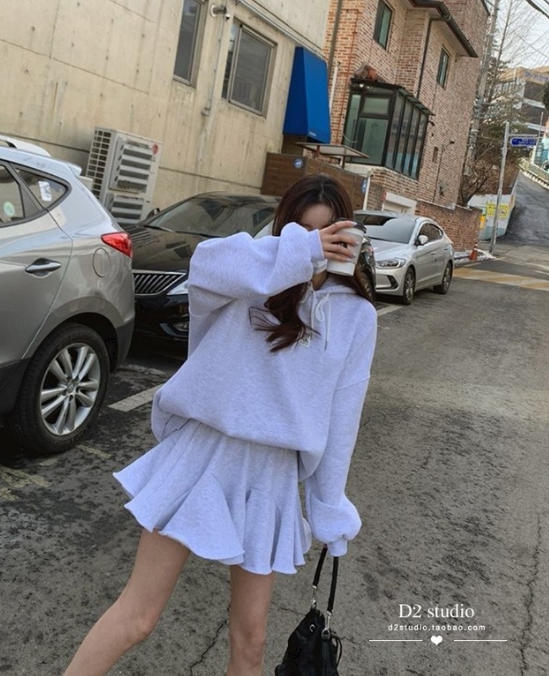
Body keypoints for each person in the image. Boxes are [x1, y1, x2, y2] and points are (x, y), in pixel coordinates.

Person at [62, 174, 378, 676]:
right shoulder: (251, 279)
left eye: (329, 232)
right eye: (303, 230)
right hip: (203, 454)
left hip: (271, 473)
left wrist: (328, 505)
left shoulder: (357, 316)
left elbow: (343, 416)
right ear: (285, 231)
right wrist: (301, 252)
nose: (319, 244)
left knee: (250, 639)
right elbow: (206, 263)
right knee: (138, 617)